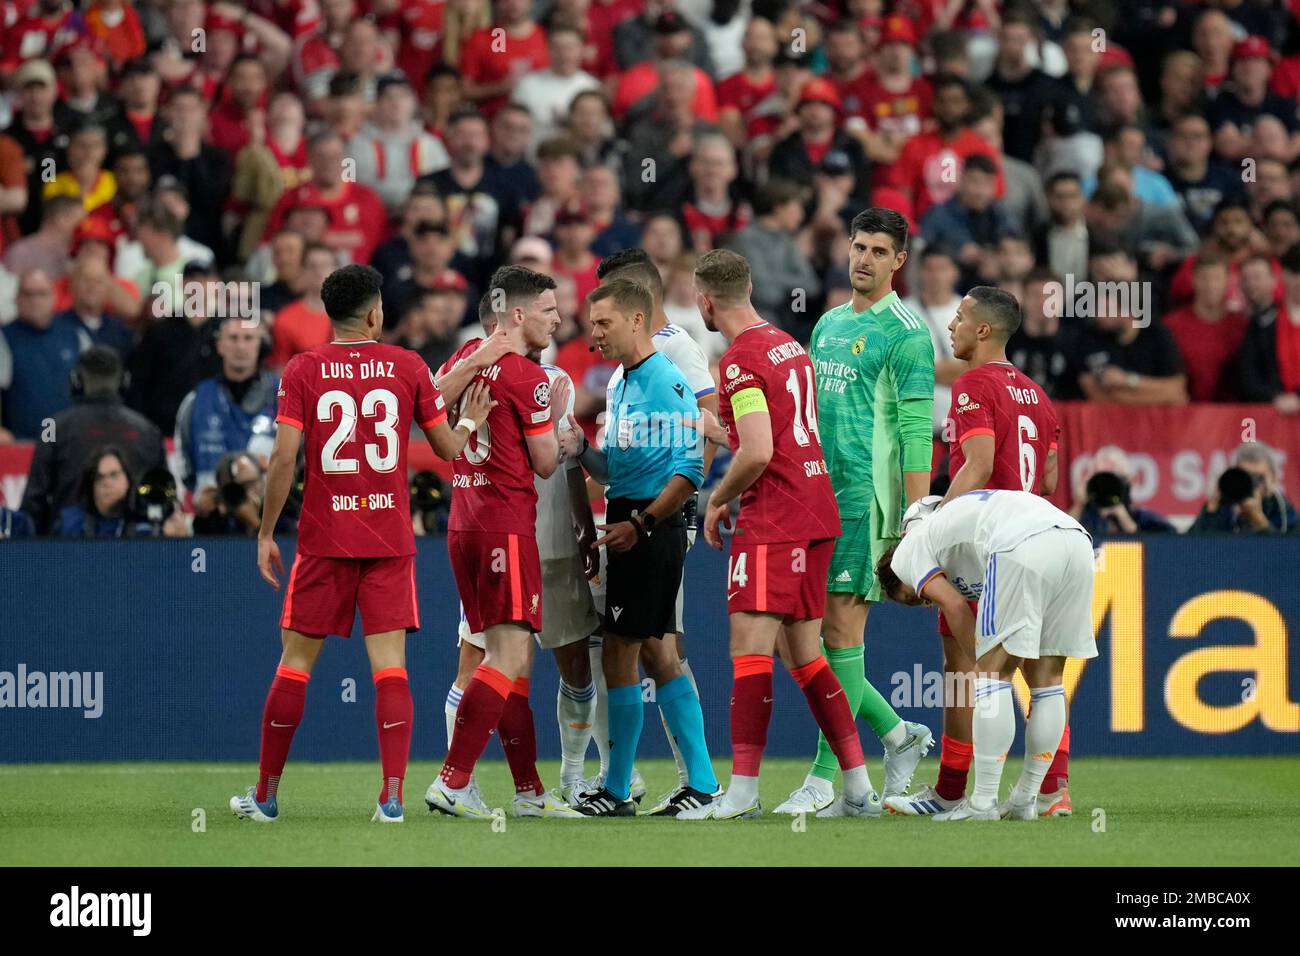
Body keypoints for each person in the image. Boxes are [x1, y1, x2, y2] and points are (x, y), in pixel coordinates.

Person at [230, 263, 493, 824]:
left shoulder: (302, 368)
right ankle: (392, 798)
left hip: (324, 538)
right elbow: (447, 450)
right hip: (388, 539)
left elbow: (282, 458)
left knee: (295, 665)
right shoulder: (406, 365)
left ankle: (266, 796)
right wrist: (469, 424)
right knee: (390, 669)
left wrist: (264, 531)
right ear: (375, 312)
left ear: (330, 314)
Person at [680, 249, 879, 819]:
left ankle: (741, 793)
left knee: (749, 652)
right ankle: (861, 788)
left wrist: (717, 497)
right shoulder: (788, 345)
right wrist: (728, 433)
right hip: (817, 511)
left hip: (776, 519)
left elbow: (761, 452)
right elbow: (775, 433)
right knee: (807, 655)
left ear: (706, 302)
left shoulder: (739, 360)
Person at [774, 207, 934, 817]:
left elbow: (918, 428)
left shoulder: (908, 333)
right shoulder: (829, 325)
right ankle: (899, 734)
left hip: (866, 502)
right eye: (857, 246)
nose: (863, 258)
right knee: (799, 645)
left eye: (877, 251)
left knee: (837, 638)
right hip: (814, 494)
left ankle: (826, 780)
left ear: (899, 261)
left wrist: (917, 516)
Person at [886, 287, 1069, 819]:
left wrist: (938, 519)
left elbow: (981, 462)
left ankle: (952, 792)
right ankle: (1052, 790)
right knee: (1041, 672)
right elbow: (1050, 477)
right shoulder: (1039, 394)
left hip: (986, 548)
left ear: (983, 330)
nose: (951, 326)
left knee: (966, 670)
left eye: (960, 318)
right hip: (1041, 537)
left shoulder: (972, 385)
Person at [434, 287, 595, 815]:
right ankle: (454, 781)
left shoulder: (463, 359)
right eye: (549, 310)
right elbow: (547, 463)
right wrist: (565, 431)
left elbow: (429, 403)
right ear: (519, 314)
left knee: (505, 659)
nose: (558, 319)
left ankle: (529, 791)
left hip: (462, 525)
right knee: (507, 657)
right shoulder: (530, 378)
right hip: (505, 528)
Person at [559, 278, 715, 817]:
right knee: (656, 652)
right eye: (591, 324)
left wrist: (643, 523)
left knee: (623, 652)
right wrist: (581, 449)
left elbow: (691, 470)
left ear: (637, 320)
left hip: (652, 528)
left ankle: (619, 789)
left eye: (603, 323)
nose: (594, 334)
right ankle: (700, 783)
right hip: (632, 520)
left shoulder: (664, 383)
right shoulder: (623, 384)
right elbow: (616, 472)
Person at [878, 489, 1098, 821]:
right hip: (1077, 540)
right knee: (1048, 681)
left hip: (1022, 543)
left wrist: (982, 666)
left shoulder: (908, 550)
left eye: (910, 597)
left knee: (992, 679)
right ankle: (1027, 798)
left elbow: (954, 605)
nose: (923, 601)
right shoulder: (960, 535)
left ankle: (982, 803)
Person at [21, 346, 163, 535]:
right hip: (133, 548)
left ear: (76, 381)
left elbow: (33, 502)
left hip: (66, 548)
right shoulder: (148, 430)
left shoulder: (53, 427)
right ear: (124, 381)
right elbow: (161, 500)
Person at [174, 317, 279, 493]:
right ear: (219, 345)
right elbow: (182, 463)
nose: (240, 346)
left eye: (248, 338)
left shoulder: (284, 396)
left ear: (260, 344)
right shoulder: (197, 399)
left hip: (269, 512)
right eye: (233, 338)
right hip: (212, 511)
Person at [1, 269, 86, 441]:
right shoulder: (4, 337)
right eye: (27, 294)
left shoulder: (75, 335)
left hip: (69, 444)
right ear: (16, 298)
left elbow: (90, 388)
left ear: (54, 297)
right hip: (21, 444)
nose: (35, 301)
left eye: (41, 294)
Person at [1188, 442, 1298, 534]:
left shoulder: (1282, 510)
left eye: (1258, 478)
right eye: (1245, 477)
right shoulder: (1224, 506)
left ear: (1273, 478)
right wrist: (1211, 509)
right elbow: (1190, 549)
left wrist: (1261, 523)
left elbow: (1289, 555)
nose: (1251, 484)